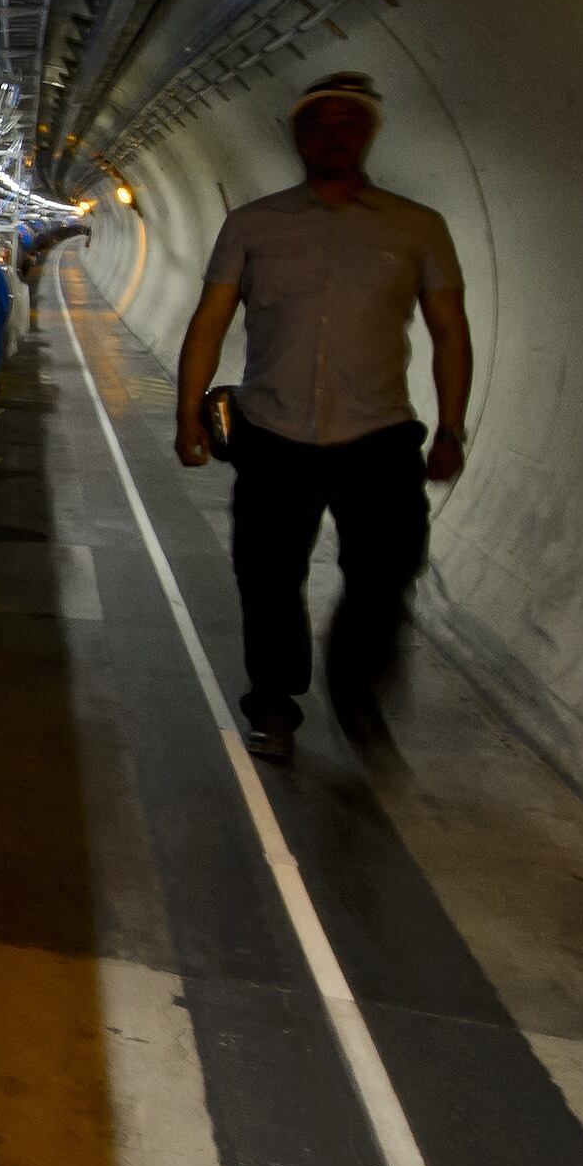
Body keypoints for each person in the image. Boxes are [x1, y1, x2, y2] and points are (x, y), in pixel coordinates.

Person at [170, 71, 471, 759]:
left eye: (347, 124)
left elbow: (450, 331)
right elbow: (210, 319)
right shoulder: (253, 224)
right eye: (319, 125)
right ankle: (274, 706)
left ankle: (353, 679)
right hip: (274, 430)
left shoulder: (418, 227)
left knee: (388, 570)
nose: (333, 136)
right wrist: (190, 412)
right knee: (269, 580)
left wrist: (450, 426)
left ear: (367, 135)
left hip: (378, 432)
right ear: (299, 138)